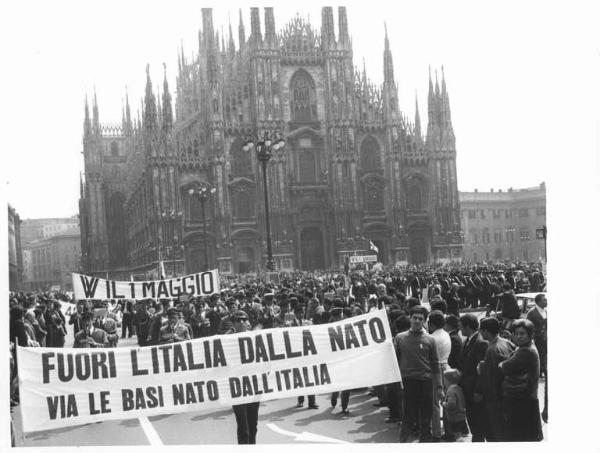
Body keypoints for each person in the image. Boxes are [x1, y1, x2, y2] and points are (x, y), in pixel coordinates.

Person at [395, 305, 442, 442]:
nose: (416, 321)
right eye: (414, 318)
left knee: (426, 420)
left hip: (426, 383)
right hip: (408, 383)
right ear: (410, 319)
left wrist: (439, 387)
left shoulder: (430, 340)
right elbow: (395, 362)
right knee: (407, 418)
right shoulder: (400, 338)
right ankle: (402, 444)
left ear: (424, 321)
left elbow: (435, 364)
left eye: (420, 319)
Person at [499, 318, 543, 442]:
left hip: (522, 401)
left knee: (520, 438)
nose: (518, 336)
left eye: (522, 333)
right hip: (525, 399)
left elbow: (505, 367)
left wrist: (502, 364)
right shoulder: (526, 347)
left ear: (530, 334)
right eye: (516, 333)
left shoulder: (526, 351)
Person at [477, 317, 516, 441]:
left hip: (496, 399)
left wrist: (481, 370)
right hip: (508, 393)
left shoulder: (492, 350)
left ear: (486, 331)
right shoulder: (507, 342)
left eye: (481, 330)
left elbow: (491, 379)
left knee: (498, 432)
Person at [229, 310, 261, 444]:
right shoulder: (227, 341)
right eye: (238, 320)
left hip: (254, 386)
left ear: (248, 322)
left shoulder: (256, 337)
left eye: (244, 319)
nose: (241, 322)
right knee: (243, 427)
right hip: (238, 388)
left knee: (253, 426)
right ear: (233, 324)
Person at [458, 314, 488, 442]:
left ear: (468, 327)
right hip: (467, 387)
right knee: (471, 418)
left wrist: (478, 390)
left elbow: (482, 371)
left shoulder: (480, 342)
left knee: (477, 421)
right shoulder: (467, 340)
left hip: (475, 389)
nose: (460, 329)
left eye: (461, 326)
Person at [428, 310, 451, 441]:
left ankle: (436, 432)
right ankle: (449, 430)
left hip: (436, 369)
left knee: (435, 403)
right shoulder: (446, 334)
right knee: (445, 401)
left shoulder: (432, 338)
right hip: (446, 366)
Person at [441, 368, 467, 442]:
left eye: (444, 380)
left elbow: (452, 404)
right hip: (462, 416)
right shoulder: (459, 388)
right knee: (460, 434)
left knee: (457, 436)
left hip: (455, 417)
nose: (444, 383)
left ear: (448, 381)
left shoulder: (450, 390)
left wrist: (445, 404)